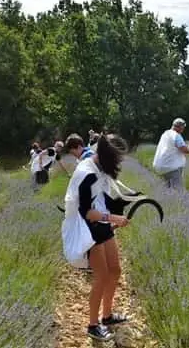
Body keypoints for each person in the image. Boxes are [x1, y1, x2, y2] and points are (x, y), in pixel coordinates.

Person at [63, 134, 130, 341]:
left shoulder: (98, 167)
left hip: (100, 221)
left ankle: (107, 316)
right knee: (101, 276)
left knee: (115, 270)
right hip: (87, 226)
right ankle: (93, 324)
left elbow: (102, 198)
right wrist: (113, 218)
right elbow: (86, 213)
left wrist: (114, 214)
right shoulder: (87, 174)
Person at [152, 118, 189, 188]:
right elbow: (183, 149)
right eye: (182, 127)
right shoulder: (176, 135)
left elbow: (178, 145)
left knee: (167, 190)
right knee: (177, 190)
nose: (183, 129)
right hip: (171, 167)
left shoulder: (166, 133)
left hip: (161, 166)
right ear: (178, 127)